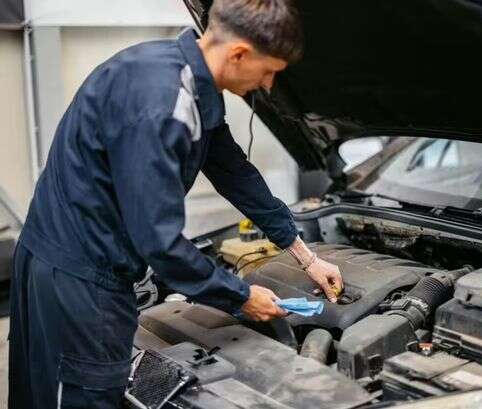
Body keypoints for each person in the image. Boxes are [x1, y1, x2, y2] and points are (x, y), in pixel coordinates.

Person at [9, 0, 343, 407]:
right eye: (269, 71)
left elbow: (234, 173)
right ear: (239, 53)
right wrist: (239, 297)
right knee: (81, 397)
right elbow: (160, 243)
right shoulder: (164, 107)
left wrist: (306, 257)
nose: (269, 86)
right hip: (80, 279)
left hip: (62, 255)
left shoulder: (185, 77)